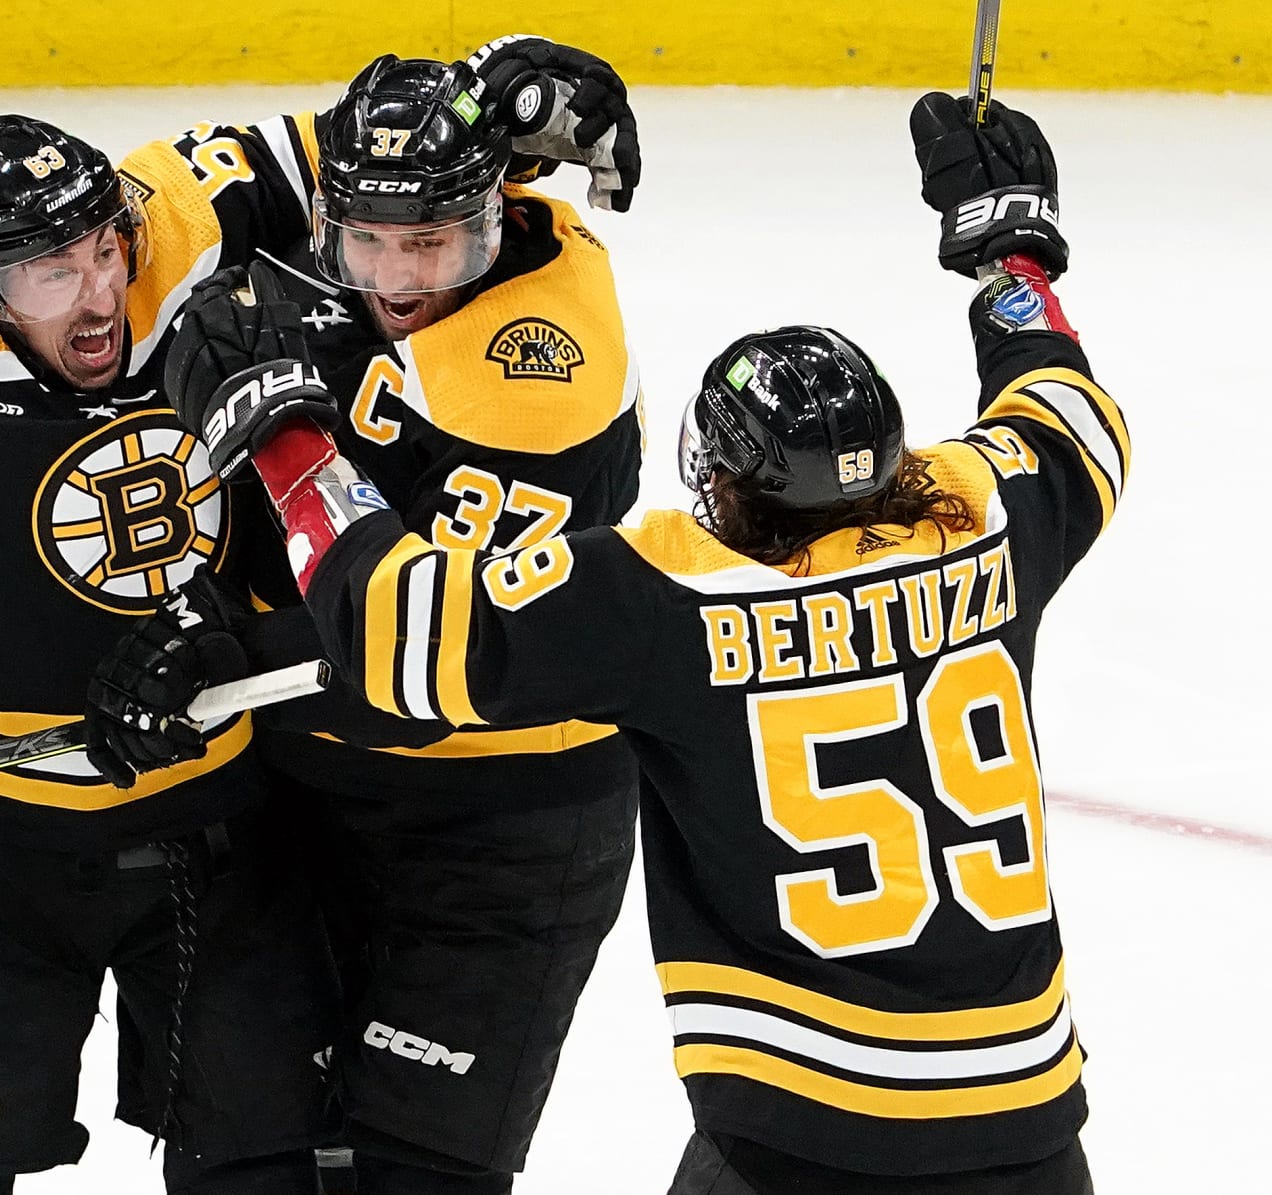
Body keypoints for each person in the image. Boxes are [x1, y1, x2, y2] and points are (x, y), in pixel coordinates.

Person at [0, 43, 637, 1192]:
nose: (101, 290)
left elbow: (358, 152)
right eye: (53, 271)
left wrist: (494, 86)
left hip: (231, 823)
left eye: (104, 248)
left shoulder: (176, 226)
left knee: (265, 1167)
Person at [153, 91, 1118, 1193]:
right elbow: (1065, 409)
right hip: (1034, 1130)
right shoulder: (981, 517)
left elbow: (399, 630)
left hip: (795, 1139)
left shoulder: (672, 594)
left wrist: (279, 431)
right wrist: (1009, 247)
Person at [84, 44, 645, 1195]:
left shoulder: (543, 368)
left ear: (500, 212)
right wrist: (471, 82)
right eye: (368, 240)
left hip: (502, 821)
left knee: (411, 1179)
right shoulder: (369, 231)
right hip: (291, 792)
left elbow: (414, 658)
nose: (395, 277)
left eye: (434, 242)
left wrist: (221, 648)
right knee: (236, 1161)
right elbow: (171, 194)